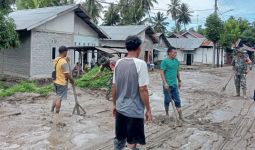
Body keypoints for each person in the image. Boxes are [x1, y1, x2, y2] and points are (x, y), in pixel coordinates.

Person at [112, 36, 152, 150]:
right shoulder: (141, 64)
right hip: (134, 110)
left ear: (126, 47)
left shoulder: (118, 63)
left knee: (119, 139)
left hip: (120, 108)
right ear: (139, 48)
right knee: (131, 141)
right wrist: (148, 109)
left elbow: (114, 86)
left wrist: (114, 104)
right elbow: (143, 89)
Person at [160, 48, 185, 121]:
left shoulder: (176, 61)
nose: (175, 54)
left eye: (176, 53)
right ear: (169, 53)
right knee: (167, 100)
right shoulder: (164, 61)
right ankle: (167, 114)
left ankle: (181, 116)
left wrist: (179, 80)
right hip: (167, 85)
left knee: (177, 100)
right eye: (174, 53)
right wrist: (165, 83)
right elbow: (161, 73)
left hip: (174, 85)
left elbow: (177, 71)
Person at [51, 46, 74, 113]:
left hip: (55, 81)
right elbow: (67, 74)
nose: (67, 53)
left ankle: (52, 110)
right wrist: (72, 80)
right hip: (62, 82)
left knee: (57, 96)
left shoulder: (56, 59)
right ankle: (57, 113)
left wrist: (66, 59)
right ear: (64, 52)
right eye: (66, 52)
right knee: (59, 98)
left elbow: (61, 63)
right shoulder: (64, 62)